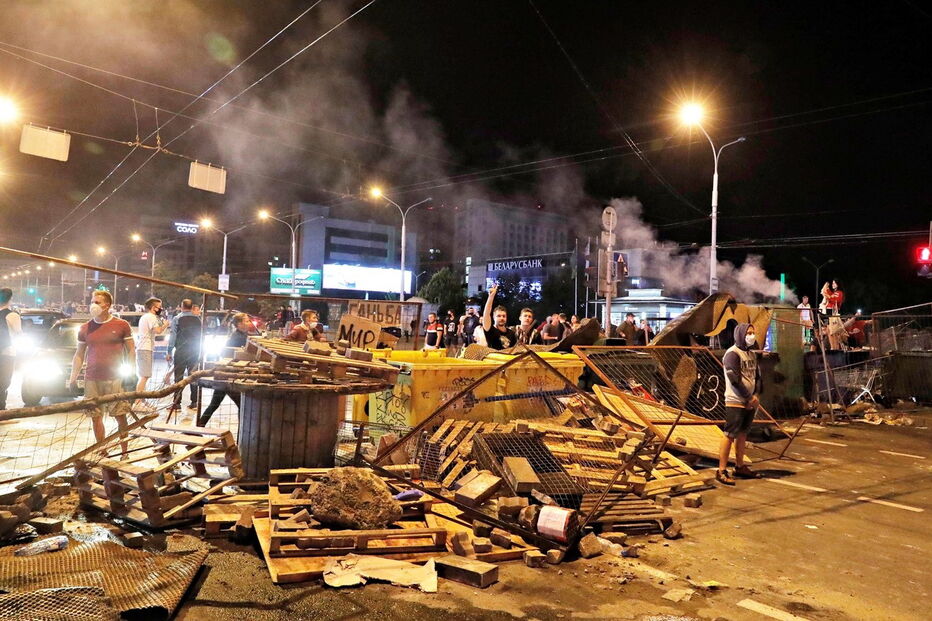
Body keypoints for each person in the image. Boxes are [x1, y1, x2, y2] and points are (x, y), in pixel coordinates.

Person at [68, 291, 135, 454]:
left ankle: (124, 452)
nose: (93, 305)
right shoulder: (85, 328)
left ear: (107, 305)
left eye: (97, 302)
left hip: (115, 378)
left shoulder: (121, 325)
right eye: (92, 301)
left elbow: (132, 350)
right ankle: (102, 450)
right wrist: (73, 378)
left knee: (120, 415)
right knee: (95, 417)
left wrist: (131, 373)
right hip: (92, 379)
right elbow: (79, 354)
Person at [717, 323, 762, 485]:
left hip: (750, 401)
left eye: (752, 332)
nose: (751, 336)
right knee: (729, 434)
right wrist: (748, 397)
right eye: (748, 333)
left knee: (743, 433)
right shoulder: (732, 354)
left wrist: (755, 394)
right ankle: (721, 470)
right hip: (735, 401)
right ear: (740, 334)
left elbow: (757, 377)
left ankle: (740, 466)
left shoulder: (751, 354)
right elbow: (734, 379)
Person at [199, 313, 250, 426]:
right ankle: (241, 435)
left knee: (214, 404)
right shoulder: (237, 337)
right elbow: (233, 355)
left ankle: (199, 426)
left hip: (225, 375)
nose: (248, 323)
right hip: (228, 375)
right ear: (239, 324)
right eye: (246, 321)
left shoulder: (242, 335)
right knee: (242, 405)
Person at [167, 299, 202, 412]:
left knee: (178, 377)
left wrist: (169, 351)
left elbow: (173, 336)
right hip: (195, 350)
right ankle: (195, 402)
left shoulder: (177, 319)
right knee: (193, 376)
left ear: (181, 306)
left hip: (181, 350)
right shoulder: (198, 319)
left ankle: (177, 404)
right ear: (192, 307)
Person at [135, 297, 167, 394]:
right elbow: (158, 330)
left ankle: (142, 399)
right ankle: (138, 401)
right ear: (154, 307)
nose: (161, 309)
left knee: (145, 375)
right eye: (159, 307)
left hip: (144, 348)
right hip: (145, 348)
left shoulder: (146, 317)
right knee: (145, 376)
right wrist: (165, 324)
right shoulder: (151, 317)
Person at [0, 289, 22, 411]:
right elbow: (19, 334)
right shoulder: (12, 315)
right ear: (10, 299)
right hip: (7, 353)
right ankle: (1, 408)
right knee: (3, 381)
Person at [481, 285, 516, 350]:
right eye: (498, 316)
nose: (502, 318)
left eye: (504, 316)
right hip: (494, 359)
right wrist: (491, 297)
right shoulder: (490, 330)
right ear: (494, 317)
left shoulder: (512, 333)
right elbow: (486, 314)